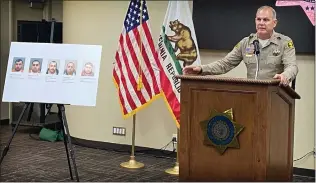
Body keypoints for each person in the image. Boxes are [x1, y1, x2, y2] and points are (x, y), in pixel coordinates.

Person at [183, 6, 298, 86]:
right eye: (259, 19)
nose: (261, 23)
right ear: (255, 21)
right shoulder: (246, 43)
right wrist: (202, 69)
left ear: (274, 23)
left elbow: (292, 67)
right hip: (252, 94)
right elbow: (225, 64)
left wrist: (284, 76)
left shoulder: (284, 42)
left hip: (276, 95)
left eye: (266, 20)